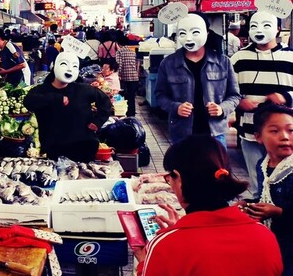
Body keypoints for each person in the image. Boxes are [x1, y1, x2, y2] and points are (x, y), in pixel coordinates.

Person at [130, 135, 282, 276]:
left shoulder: (167, 245)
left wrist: (145, 262)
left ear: (178, 179)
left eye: (169, 178)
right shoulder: (265, 236)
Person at [242, 103, 293, 276]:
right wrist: (250, 206)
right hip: (276, 251)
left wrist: (279, 212)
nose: (285, 136)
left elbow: (276, 207)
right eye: (275, 130)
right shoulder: (264, 164)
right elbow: (265, 197)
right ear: (258, 137)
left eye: (291, 130)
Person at [231, 11, 293, 198]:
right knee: (257, 176)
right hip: (251, 129)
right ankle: (260, 205)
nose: (259, 30)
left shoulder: (290, 57)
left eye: (266, 25)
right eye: (254, 26)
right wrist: (239, 101)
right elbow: (228, 90)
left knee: (285, 177)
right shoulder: (238, 58)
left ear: (278, 29)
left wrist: (285, 97)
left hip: (284, 133)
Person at [155, 13, 240, 146]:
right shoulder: (168, 63)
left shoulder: (223, 62)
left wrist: (222, 108)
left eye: (195, 32)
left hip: (215, 133)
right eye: (182, 33)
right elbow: (160, 95)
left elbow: (234, 95)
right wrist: (175, 107)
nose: (188, 38)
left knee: (216, 161)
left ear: (207, 32)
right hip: (181, 133)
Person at [24, 52, 113, 162]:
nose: (70, 69)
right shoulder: (41, 90)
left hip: (83, 147)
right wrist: (55, 99)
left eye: (74, 66)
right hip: (55, 149)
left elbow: (105, 101)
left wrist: (98, 121)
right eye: (64, 64)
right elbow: (28, 102)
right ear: (55, 66)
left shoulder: (83, 89)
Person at [114, 32, 140, 117]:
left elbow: (119, 64)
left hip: (124, 78)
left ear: (118, 44)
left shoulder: (119, 52)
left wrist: (118, 75)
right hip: (134, 77)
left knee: (124, 97)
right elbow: (136, 64)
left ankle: (125, 113)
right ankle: (132, 114)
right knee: (132, 97)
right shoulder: (132, 52)